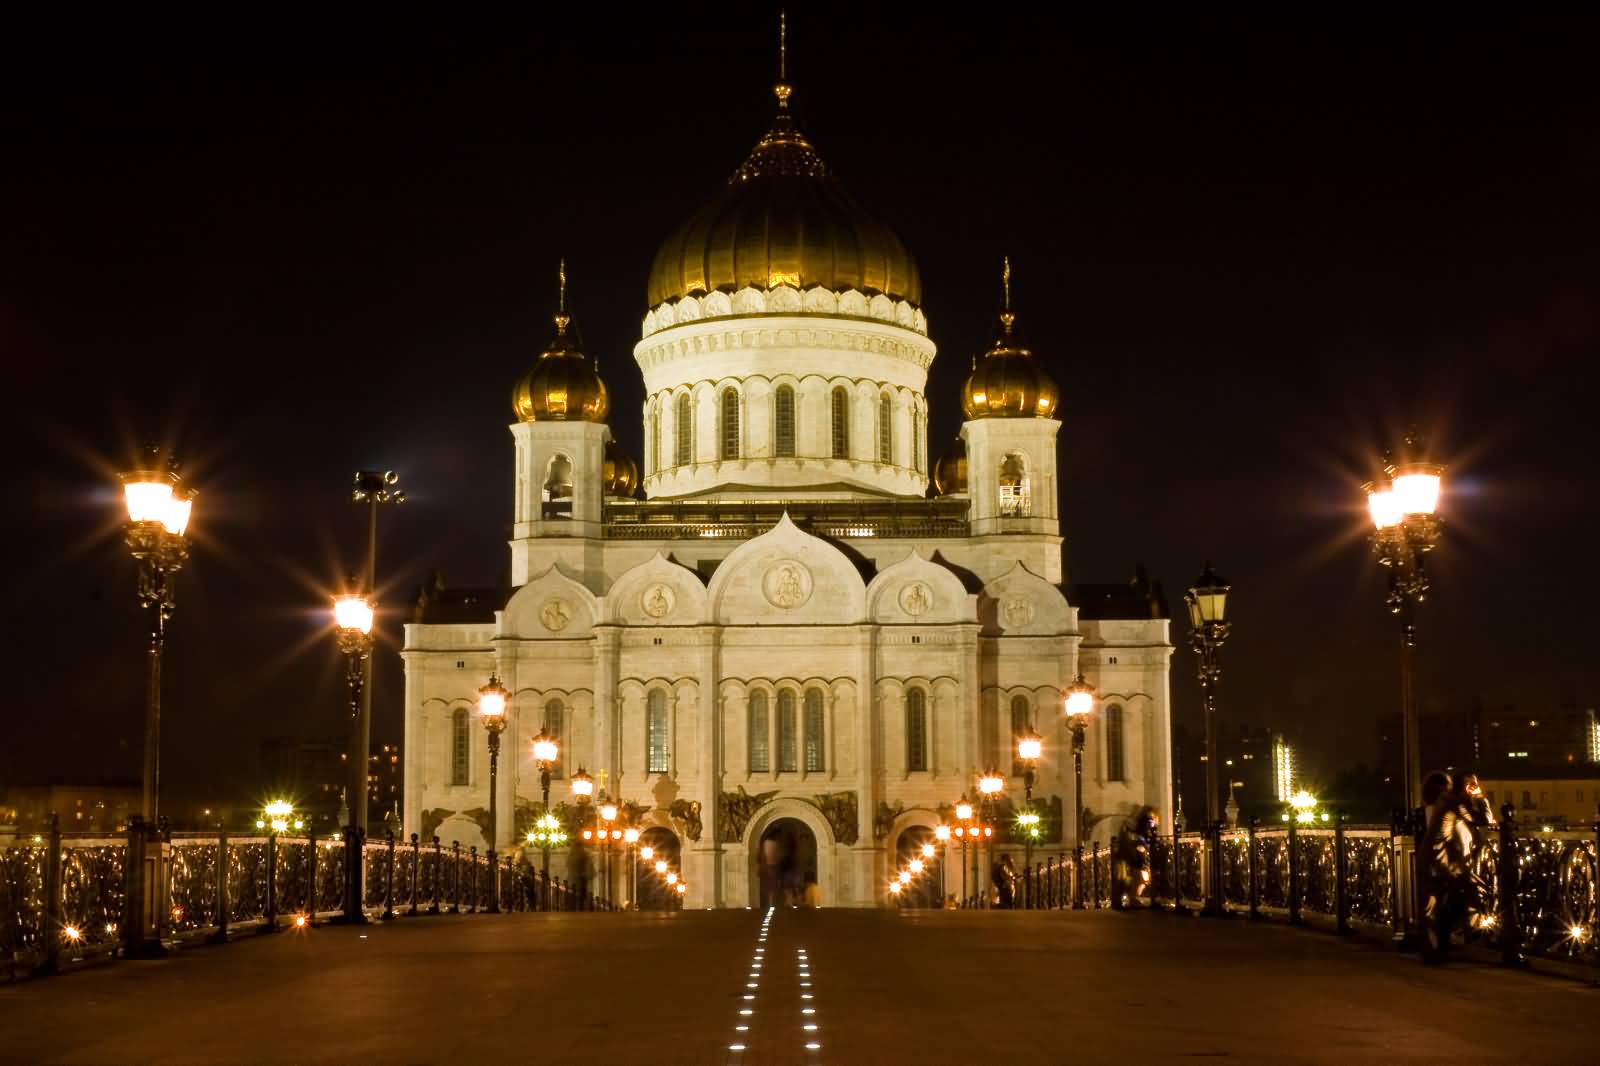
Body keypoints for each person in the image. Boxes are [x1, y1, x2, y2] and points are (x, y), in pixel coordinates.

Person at [1422, 770, 1472, 963]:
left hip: (1431, 858)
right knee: (1455, 896)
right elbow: (1477, 817)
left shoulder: (1431, 805)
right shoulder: (1447, 800)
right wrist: (1478, 797)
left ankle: (1434, 949)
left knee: (1432, 905)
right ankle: (1441, 946)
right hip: (1440, 861)